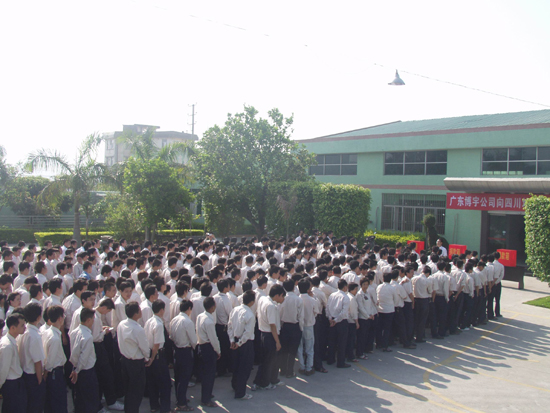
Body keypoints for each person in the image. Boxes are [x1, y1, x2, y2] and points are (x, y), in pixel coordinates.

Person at [117, 302, 150, 413]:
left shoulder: (121, 324)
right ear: (136, 314)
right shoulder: (138, 329)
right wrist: (147, 358)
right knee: (136, 392)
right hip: (136, 363)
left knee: (128, 390)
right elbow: (145, 348)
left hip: (124, 360)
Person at [253, 284, 286, 390]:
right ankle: (263, 383)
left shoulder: (263, 299)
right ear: (277, 295)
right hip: (270, 335)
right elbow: (272, 325)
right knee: (268, 361)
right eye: (282, 296)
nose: (283, 299)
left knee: (270, 360)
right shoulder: (271, 306)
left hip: (263, 333)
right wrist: (277, 341)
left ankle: (272, 379)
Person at [69, 307, 100, 413]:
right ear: (88, 320)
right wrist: (77, 370)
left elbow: (74, 352)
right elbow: (84, 357)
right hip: (86, 371)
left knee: (80, 398)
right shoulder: (87, 337)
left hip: (76, 367)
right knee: (90, 398)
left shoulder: (74, 332)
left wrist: (75, 369)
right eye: (93, 319)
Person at [144, 299, 172, 413]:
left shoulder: (149, 321)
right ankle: (165, 409)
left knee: (152, 383)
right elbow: (157, 344)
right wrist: (152, 358)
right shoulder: (159, 324)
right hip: (157, 355)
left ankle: (154, 406)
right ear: (161, 310)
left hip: (149, 352)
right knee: (165, 384)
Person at [18, 303, 46, 412]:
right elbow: (37, 361)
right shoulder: (35, 336)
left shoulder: (23, 332)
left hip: (24, 373)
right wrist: (40, 380)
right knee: (35, 406)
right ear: (39, 317)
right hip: (33, 376)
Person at [228, 290, 256, 400]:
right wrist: (239, 343)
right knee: (244, 368)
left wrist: (232, 340)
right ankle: (240, 392)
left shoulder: (234, 310)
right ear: (252, 302)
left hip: (235, 340)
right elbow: (247, 333)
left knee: (236, 366)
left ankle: (235, 385)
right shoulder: (250, 315)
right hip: (245, 343)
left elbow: (230, 326)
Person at [170, 299, 197, 412]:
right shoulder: (188, 322)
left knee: (178, 377)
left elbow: (171, 336)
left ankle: (180, 398)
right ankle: (181, 403)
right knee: (184, 378)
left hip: (176, 350)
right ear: (189, 309)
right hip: (185, 351)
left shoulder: (174, 320)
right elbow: (193, 340)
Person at [42, 305, 68, 413]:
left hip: (52, 373)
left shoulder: (47, 332)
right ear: (60, 318)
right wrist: (46, 373)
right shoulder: (55, 338)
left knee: (51, 402)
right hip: (54, 373)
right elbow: (50, 360)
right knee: (59, 403)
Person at [196, 296, 221, 408]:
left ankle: (207, 394)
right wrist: (218, 351)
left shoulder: (200, 316)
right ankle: (206, 399)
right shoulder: (209, 321)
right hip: (208, 347)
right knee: (209, 375)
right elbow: (213, 339)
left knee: (206, 373)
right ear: (212, 307)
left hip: (201, 345)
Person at [278, 279, 304, 378]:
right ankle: (290, 371)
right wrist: (301, 328)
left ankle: (282, 369)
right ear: (293, 287)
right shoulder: (298, 299)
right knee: (293, 351)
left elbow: (279, 314)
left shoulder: (283, 299)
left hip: (284, 326)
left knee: (284, 349)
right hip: (295, 326)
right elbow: (301, 316)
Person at [326, 279, 351, 367]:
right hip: (341, 321)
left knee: (332, 341)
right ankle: (341, 362)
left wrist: (330, 318)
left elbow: (327, 307)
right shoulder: (345, 297)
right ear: (345, 287)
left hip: (332, 319)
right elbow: (343, 312)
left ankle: (330, 359)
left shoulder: (332, 295)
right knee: (341, 343)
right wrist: (336, 320)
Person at [297, 278, 318, 376]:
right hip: (309, 325)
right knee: (309, 349)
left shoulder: (297, 299)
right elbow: (316, 311)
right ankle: (309, 367)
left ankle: (301, 366)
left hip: (299, 325)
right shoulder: (312, 300)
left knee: (300, 347)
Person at [376, 273, 398, 352]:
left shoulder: (379, 287)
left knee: (379, 328)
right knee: (387, 328)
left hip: (380, 309)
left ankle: (378, 343)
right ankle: (385, 345)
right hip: (389, 310)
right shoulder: (392, 288)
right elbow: (396, 299)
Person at [412, 266, 433, 343]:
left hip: (415, 299)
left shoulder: (414, 278)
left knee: (415, 318)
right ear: (428, 273)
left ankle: (412, 335)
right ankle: (419, 337)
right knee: (422, 320)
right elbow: (430, 291)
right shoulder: (427, 281)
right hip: (424, 300)